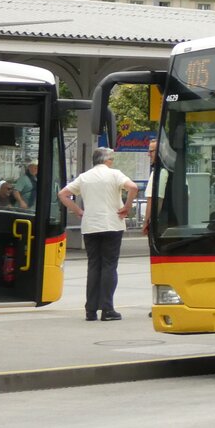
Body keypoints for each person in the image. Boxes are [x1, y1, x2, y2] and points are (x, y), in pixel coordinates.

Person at [59, 147, 138, 322]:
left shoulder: (84, 177)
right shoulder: (114, 174)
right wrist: (127, 206)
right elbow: (133, 187)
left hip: (90, 226)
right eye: (112, 159)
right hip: (112, 224)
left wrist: (78, 211)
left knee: (94, 266)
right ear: (107, 160)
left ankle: (91, 310)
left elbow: (63, 194)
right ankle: (107, 309)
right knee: (109, 265)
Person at [142, 138, 166, 235]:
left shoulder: (159, 172)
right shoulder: (176, 171)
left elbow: (153, 200)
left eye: (151, 151)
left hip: (160, 227)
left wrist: (146, 223)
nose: (148, 154)